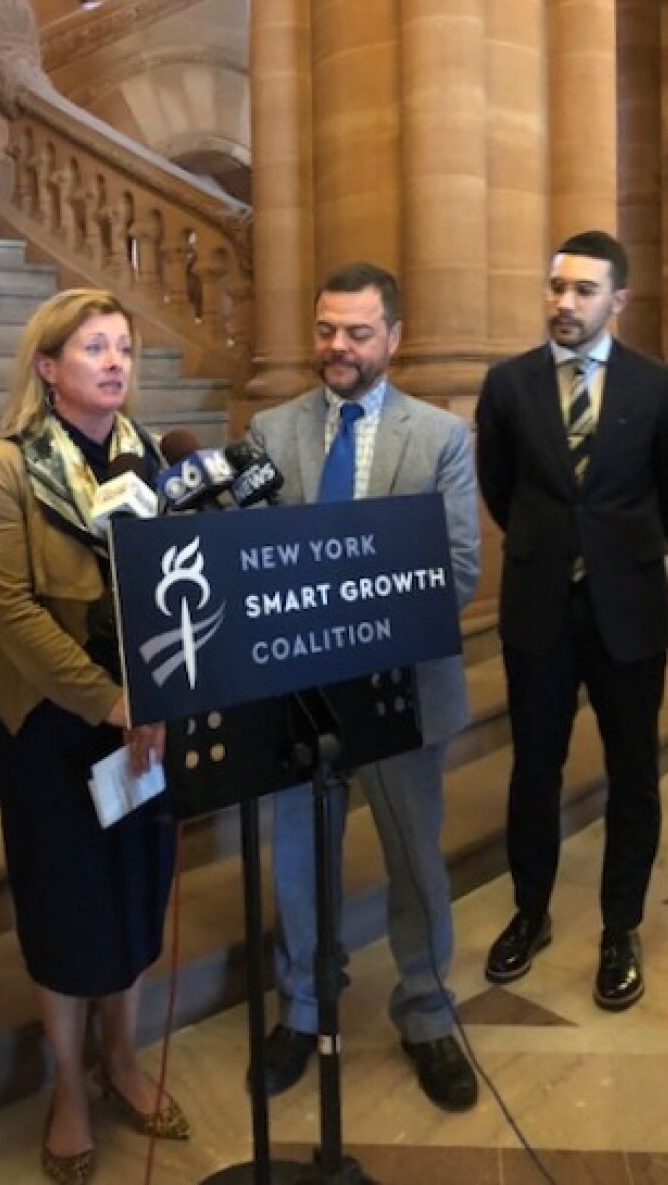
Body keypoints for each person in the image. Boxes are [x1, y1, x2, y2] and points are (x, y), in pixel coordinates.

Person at [0, 289, 188, 1185]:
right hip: (52, 729)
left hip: (145, 725)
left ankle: (124, 1059)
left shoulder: (155, 463)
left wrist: (161, 700)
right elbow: (13, 613)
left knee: (137, 895)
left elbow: (182, 591)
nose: (115, 361)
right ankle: (68, 1086)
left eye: (125, 346)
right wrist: (108, 703)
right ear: (48, 367)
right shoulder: (4, 469)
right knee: (65, 909)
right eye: (93, 346)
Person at [248, 261, 481, 1112]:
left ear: (394, 338)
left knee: (415, 860)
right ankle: (304, 1008)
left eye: (355, 332)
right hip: (300, 696)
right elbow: (256, 563)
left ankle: (425, 1011)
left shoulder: (441, 438)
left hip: (403, 693)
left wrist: (347, 616)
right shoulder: (272, 433)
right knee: (300, 862)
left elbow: (457, 573)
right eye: (324, 330)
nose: (336, 347)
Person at [475, 230, 668, 1010]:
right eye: (555, 287)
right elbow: (499, 489)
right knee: (534, 769)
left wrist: (616, 553)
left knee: (632, 774)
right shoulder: (506, 386)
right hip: (538, 609)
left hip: (628, 612)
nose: (563, 304)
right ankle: (530, 913)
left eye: (582, 291)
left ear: (617, 301)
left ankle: (619, 929)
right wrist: (554, 548)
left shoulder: (659, 387)